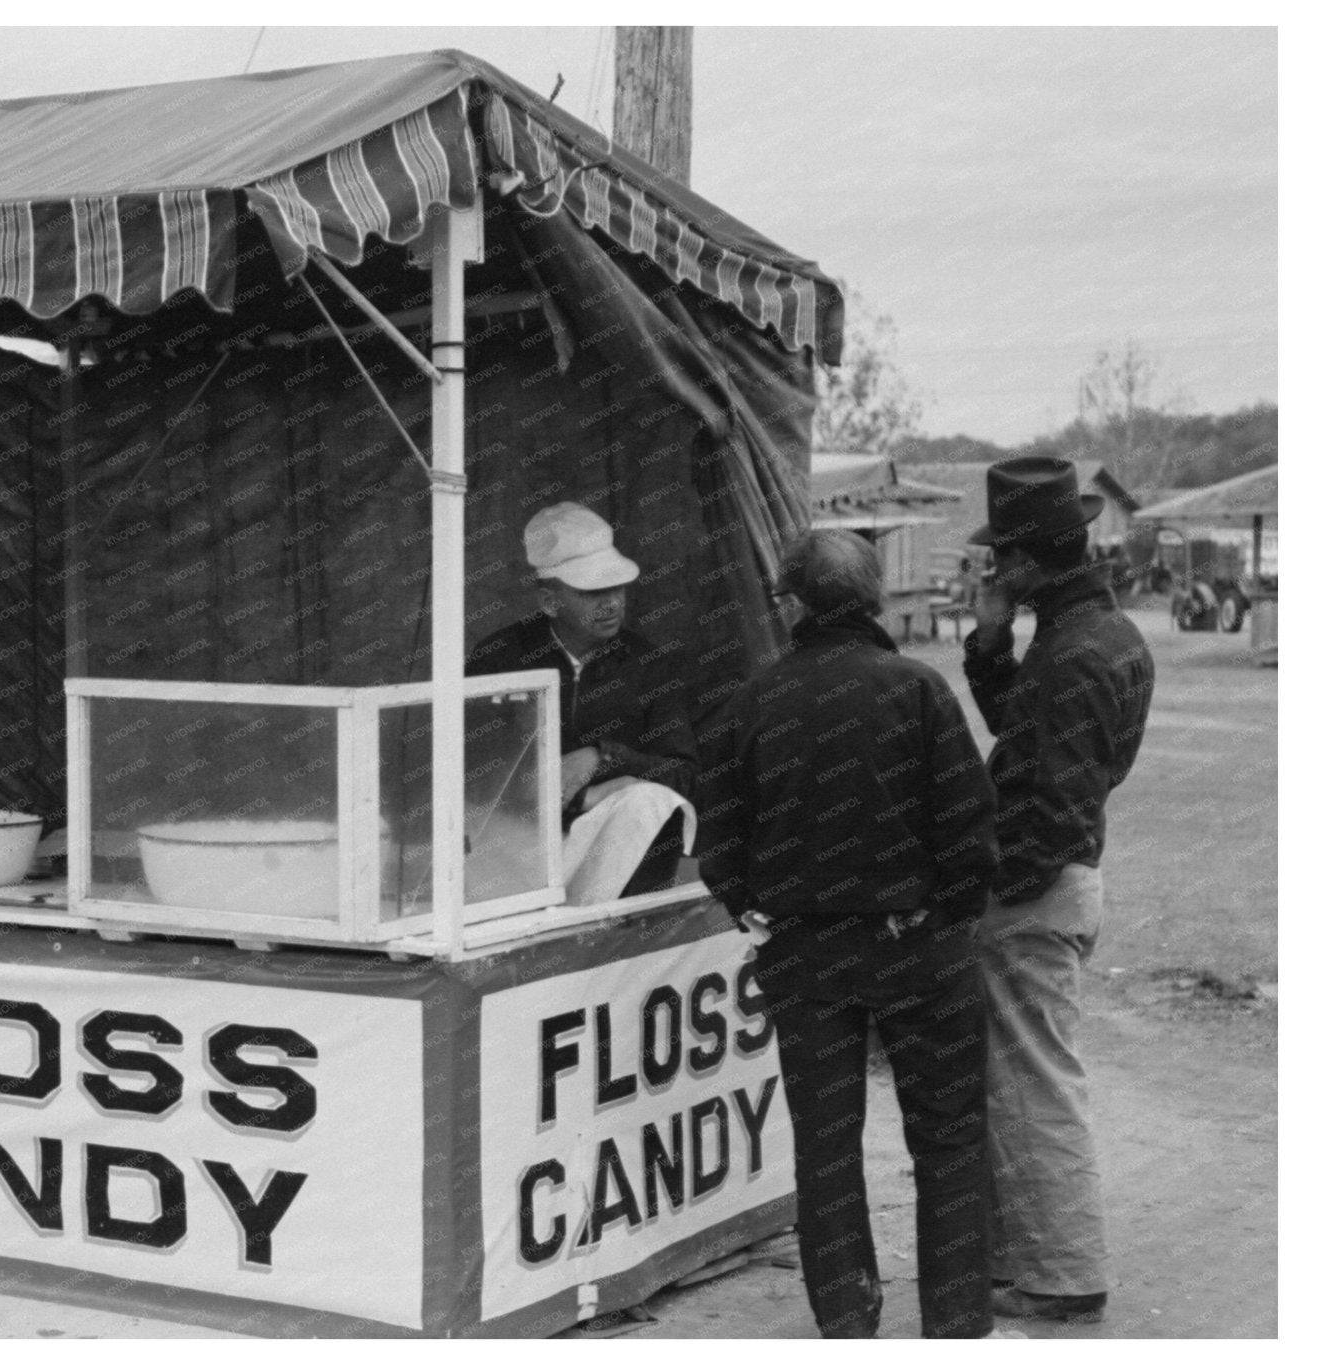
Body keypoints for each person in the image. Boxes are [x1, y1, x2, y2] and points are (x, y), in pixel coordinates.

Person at [698, 529, 999, 1339]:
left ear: (794, 603)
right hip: (919, 946)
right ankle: (958, 1326)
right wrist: (940, 915)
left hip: (803, 954)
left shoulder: (749, 701)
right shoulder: (920, 690)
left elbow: (718, 843)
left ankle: (847, 1323)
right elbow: (974, 838)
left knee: (827, 1152)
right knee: (949, 1140)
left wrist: (752, 912)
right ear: (870, 602)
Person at [965, 456, 1155, 1324]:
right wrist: (991, 640)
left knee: (1035, 1082)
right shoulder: (1095, 634)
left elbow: (1052, 799)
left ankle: (1063, 1273)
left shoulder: (1074, 652)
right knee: (1035, 1075)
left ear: (1027, 560)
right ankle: (1046, 1262)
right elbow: (1022, 726)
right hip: (1065, 878)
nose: (994, 574)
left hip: (1037, 886)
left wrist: (990, 886)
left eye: (1001, 560)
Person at [466, 502, 696, 902]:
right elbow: (469, 771)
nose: (612, 603)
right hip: (515, 846)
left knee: (649, 799)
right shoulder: (500, 658)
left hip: (619, 860)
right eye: (592, 591)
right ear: (549, 602)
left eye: (617, 586)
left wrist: (603, 757)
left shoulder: (647, 664)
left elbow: (685, 774)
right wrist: (580, 796)